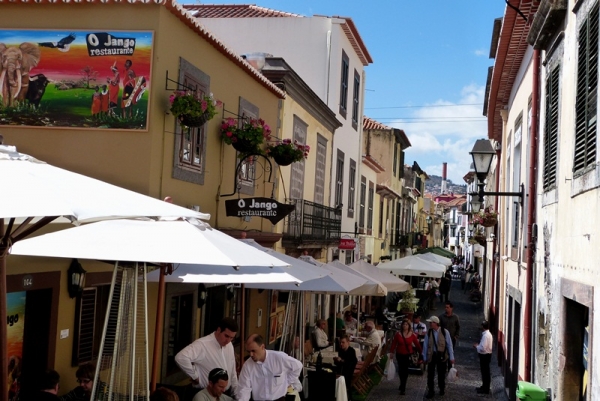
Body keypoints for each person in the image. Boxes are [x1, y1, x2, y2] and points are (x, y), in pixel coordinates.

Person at [175, 317, 239, 397]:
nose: (228, 340)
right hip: (206, 395)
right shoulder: (203, 344)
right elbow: (181, 357)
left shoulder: (229, 345)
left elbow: (232, 371)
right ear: (219, 330)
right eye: (226, 336)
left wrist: (236, 393)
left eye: (232, 337)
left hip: (226, 393)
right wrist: (195, 376)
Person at [238, 334, 302, 401]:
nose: (251, 354)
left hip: (279, 399)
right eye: (249, 351)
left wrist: (287, 382)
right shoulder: (247, 366)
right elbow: (244, 390)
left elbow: (298, 366)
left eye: (253, 351)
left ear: (262, 347)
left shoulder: (279, 358)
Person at [422, 316, 455, 399]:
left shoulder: (444, 332)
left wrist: (451, 357)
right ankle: (431, 391)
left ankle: (441, 388)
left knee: (441, 374)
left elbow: (449, 345)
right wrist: (424, 357)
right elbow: (425, 345)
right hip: (432, 355)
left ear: (435, 323)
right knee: (430, 374)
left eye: (431, 322)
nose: (429, 324)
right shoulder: (429, 332)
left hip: (442, 356)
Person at [389, 320, 422, 395]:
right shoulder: (398, 334)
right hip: (399, 354)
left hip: (407, 355)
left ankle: (403, 387)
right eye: (403, 324)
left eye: (406, 324)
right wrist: (391, 352)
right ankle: (401, 382)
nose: (405, 326)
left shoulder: (412, 335)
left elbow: (417, 345)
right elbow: (394, 343)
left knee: (405, 370)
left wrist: (421, 352)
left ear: (409, 326)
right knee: (401, 370)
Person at [438, 301, 460, 371]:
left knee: (451, 352)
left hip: (452, 338)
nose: (446, 309)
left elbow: (458, 327)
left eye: (447, 307)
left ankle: (450, 367)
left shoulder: (455, 317)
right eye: (445, 307)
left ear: (451, 308)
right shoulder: (441, 317)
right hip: (443, 339)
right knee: (443, 352)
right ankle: (443, 367)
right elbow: (438, 327)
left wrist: (456, 335)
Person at [473, 321, 493, 395]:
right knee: (485, 372)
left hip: (485, 356)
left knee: (485, 372)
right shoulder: (488, 334)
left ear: (483, 327)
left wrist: (476, 346)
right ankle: (484, 386)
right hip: (487, 355)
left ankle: (485, 389)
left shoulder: (485, 336)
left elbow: (483, 348)